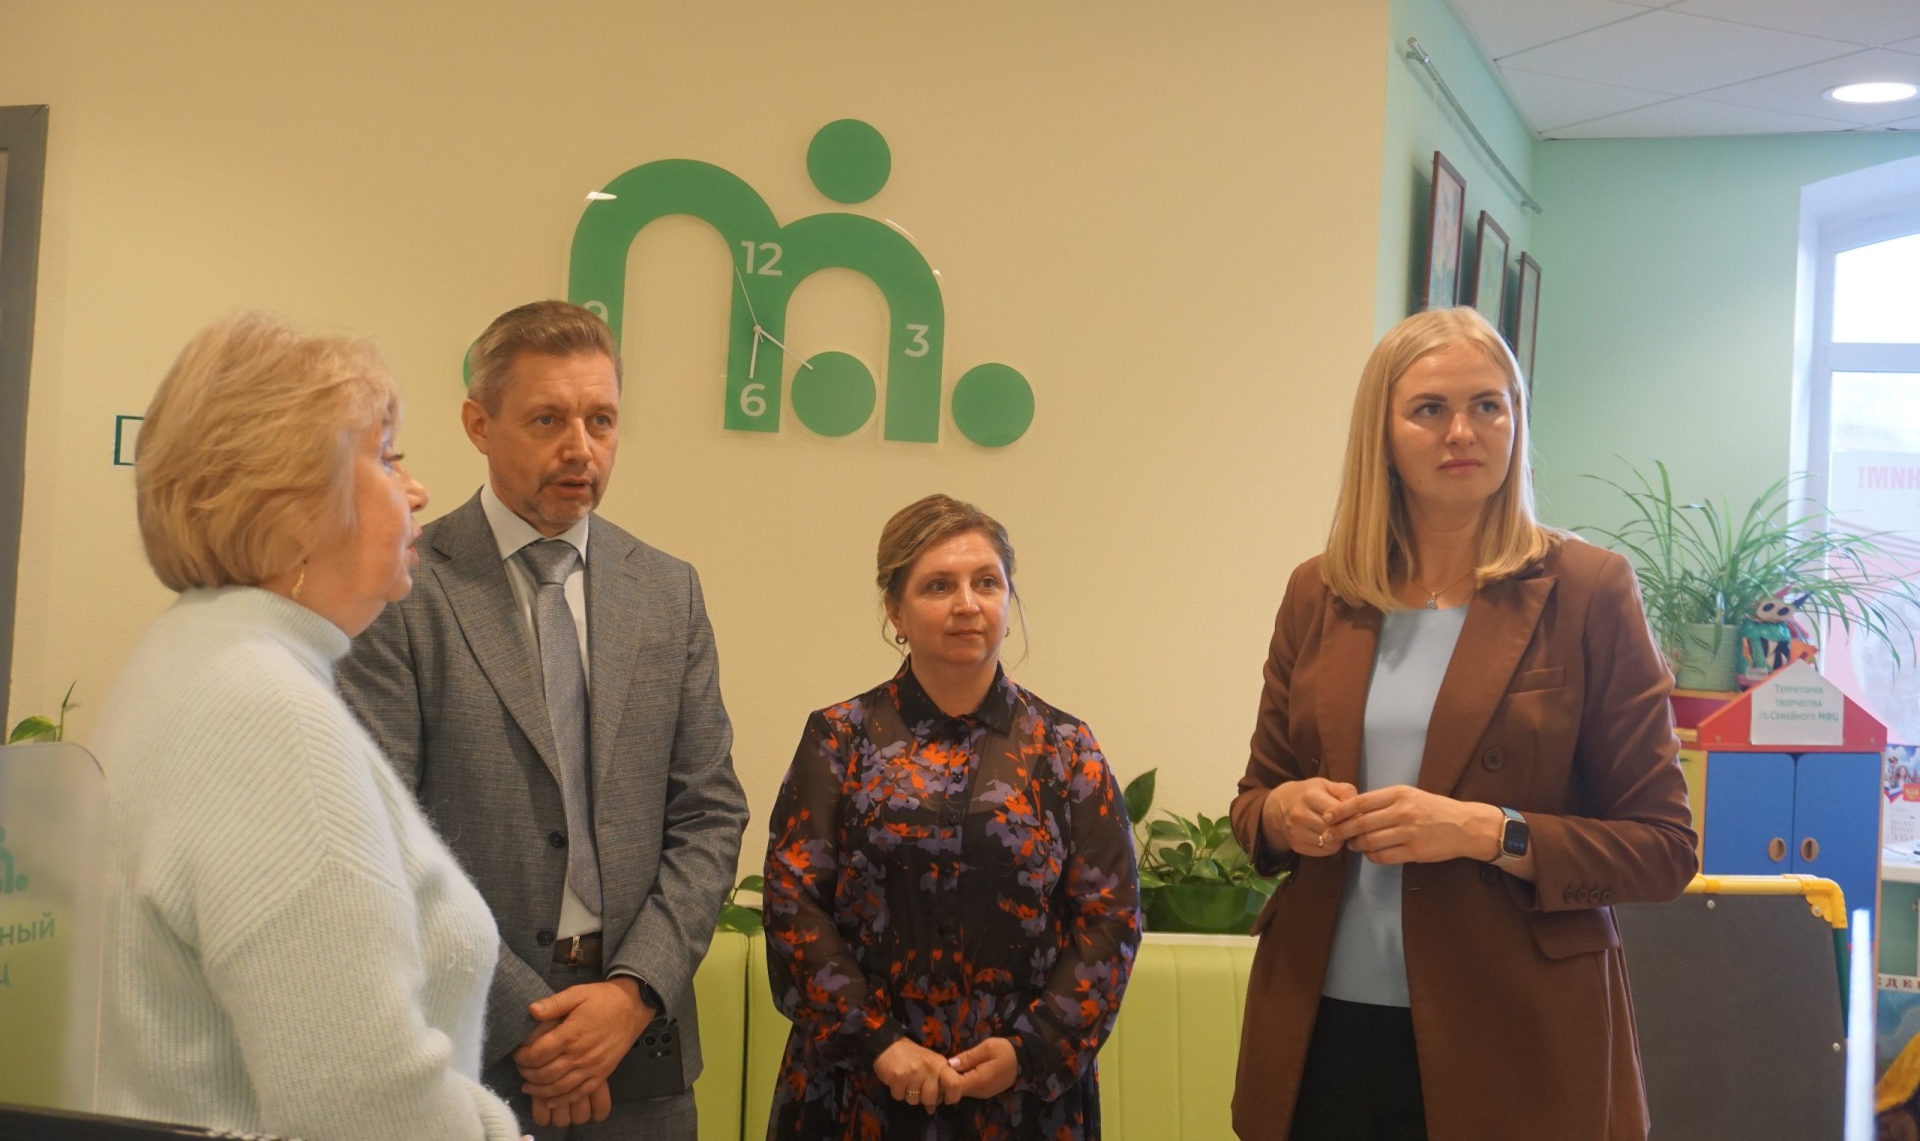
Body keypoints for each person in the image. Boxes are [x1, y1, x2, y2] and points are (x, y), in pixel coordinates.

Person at [1229, 306, 1696, 1141]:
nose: (1462, 432)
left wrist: (1489, 831)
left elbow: (1663, 848)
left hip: (1516, 1035)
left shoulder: (1590, 589)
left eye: (1488, 405)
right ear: (1382, 434)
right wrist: (1283, 812)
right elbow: (1254, 801)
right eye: (1429, 409)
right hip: (1322, 1022)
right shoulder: (1319, 591)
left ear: (1516, 421)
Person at [94, 313, 524, 1141]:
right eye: (388, 458)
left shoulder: (196, 656)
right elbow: (367, 1105)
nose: (417, 491)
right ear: (295, 506)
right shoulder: (264, 714)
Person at [338, 300, 748, 1140]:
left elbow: (709, 813)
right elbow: (383, 834)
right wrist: (533, 1026)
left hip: (642, 1051)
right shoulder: (405, 587)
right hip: (468, 1046)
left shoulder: (667, 592)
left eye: (601, 420)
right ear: (479, 425)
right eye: (548, 419)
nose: (580, 448)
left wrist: (630, 996)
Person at [762, 494, 1140, 1140]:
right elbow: (792, 903)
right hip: (859, 1083)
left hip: (1022, 1091)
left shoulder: (1066, 747)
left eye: (986, 583)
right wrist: (878, 1042)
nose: (967, 604)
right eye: (939, 585)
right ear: (895, 610)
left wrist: (1030, 1049)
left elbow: (1112, 918)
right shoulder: (839, 738)